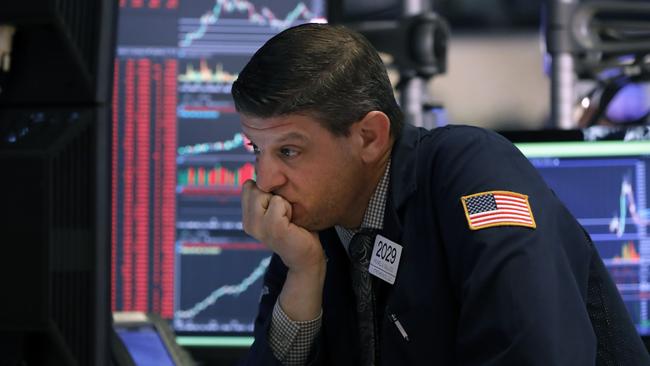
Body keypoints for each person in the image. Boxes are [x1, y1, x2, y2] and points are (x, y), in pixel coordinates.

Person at [231, 23, 650, 365]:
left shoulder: (474, 173)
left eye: (289, 150)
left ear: (369, 137)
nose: (265, 180)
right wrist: (303, 273)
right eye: (256, 148)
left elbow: (534, 352)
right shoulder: (315, 228)